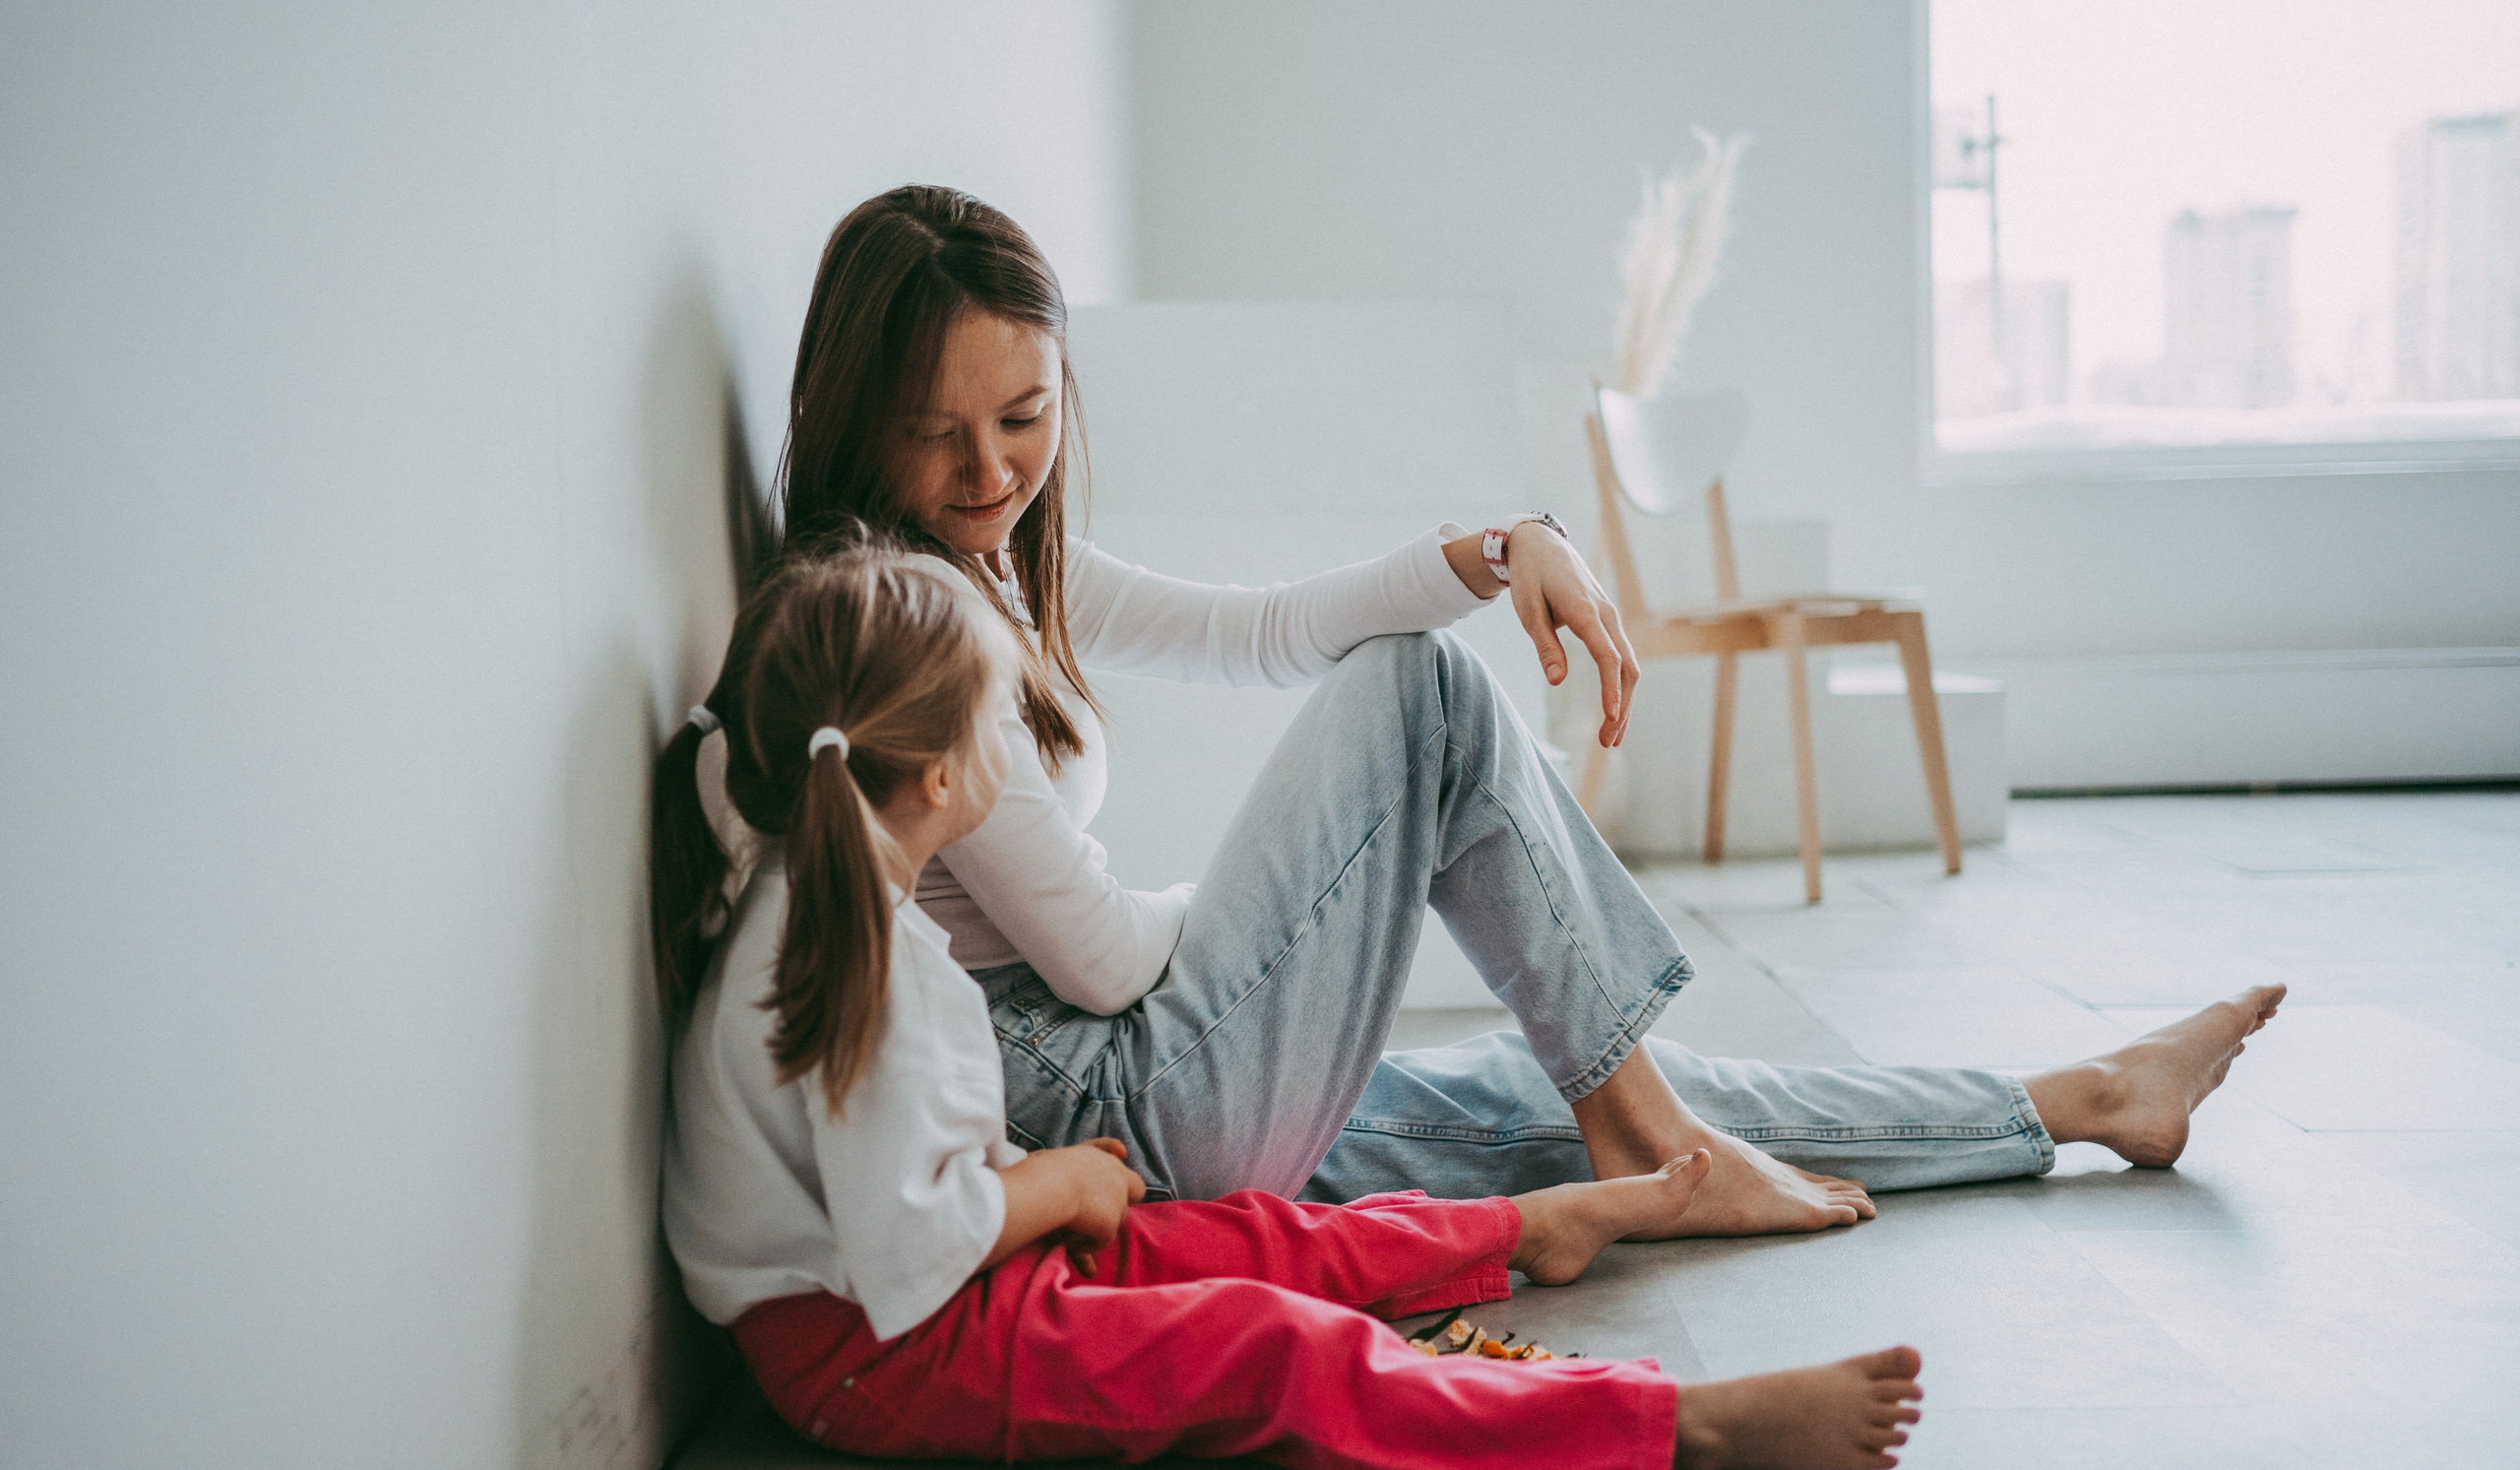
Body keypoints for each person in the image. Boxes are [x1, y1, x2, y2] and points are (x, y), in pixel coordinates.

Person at [760, 182, 2285, 1235]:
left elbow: (1263, 633)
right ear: (853, 420)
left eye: (1023, 420)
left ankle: (2074, 1102)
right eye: (934, 434)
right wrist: (1283, 900)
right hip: (1114, 1106)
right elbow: (1093, 962)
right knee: (1422, 696)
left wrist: (1502, 547)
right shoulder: (910, 625)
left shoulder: (996, 567)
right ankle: (1656, 1126)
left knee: (1555, 1085)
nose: (988, 472)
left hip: (1146, 1080)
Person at [652, 538, 1926, 1470]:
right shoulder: (860, 964)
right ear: (937, 777)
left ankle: (1523, 1227)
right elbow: (910, 1255)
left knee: (1251, 1232)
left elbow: (904, 1206)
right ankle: (1675, 1430)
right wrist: (1050, 1190)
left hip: (916, 1294)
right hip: (884, 1354)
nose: (1015, 752)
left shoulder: (817, 896)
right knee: (1267, 1348)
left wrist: (1051, 1192)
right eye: (1001, 725)